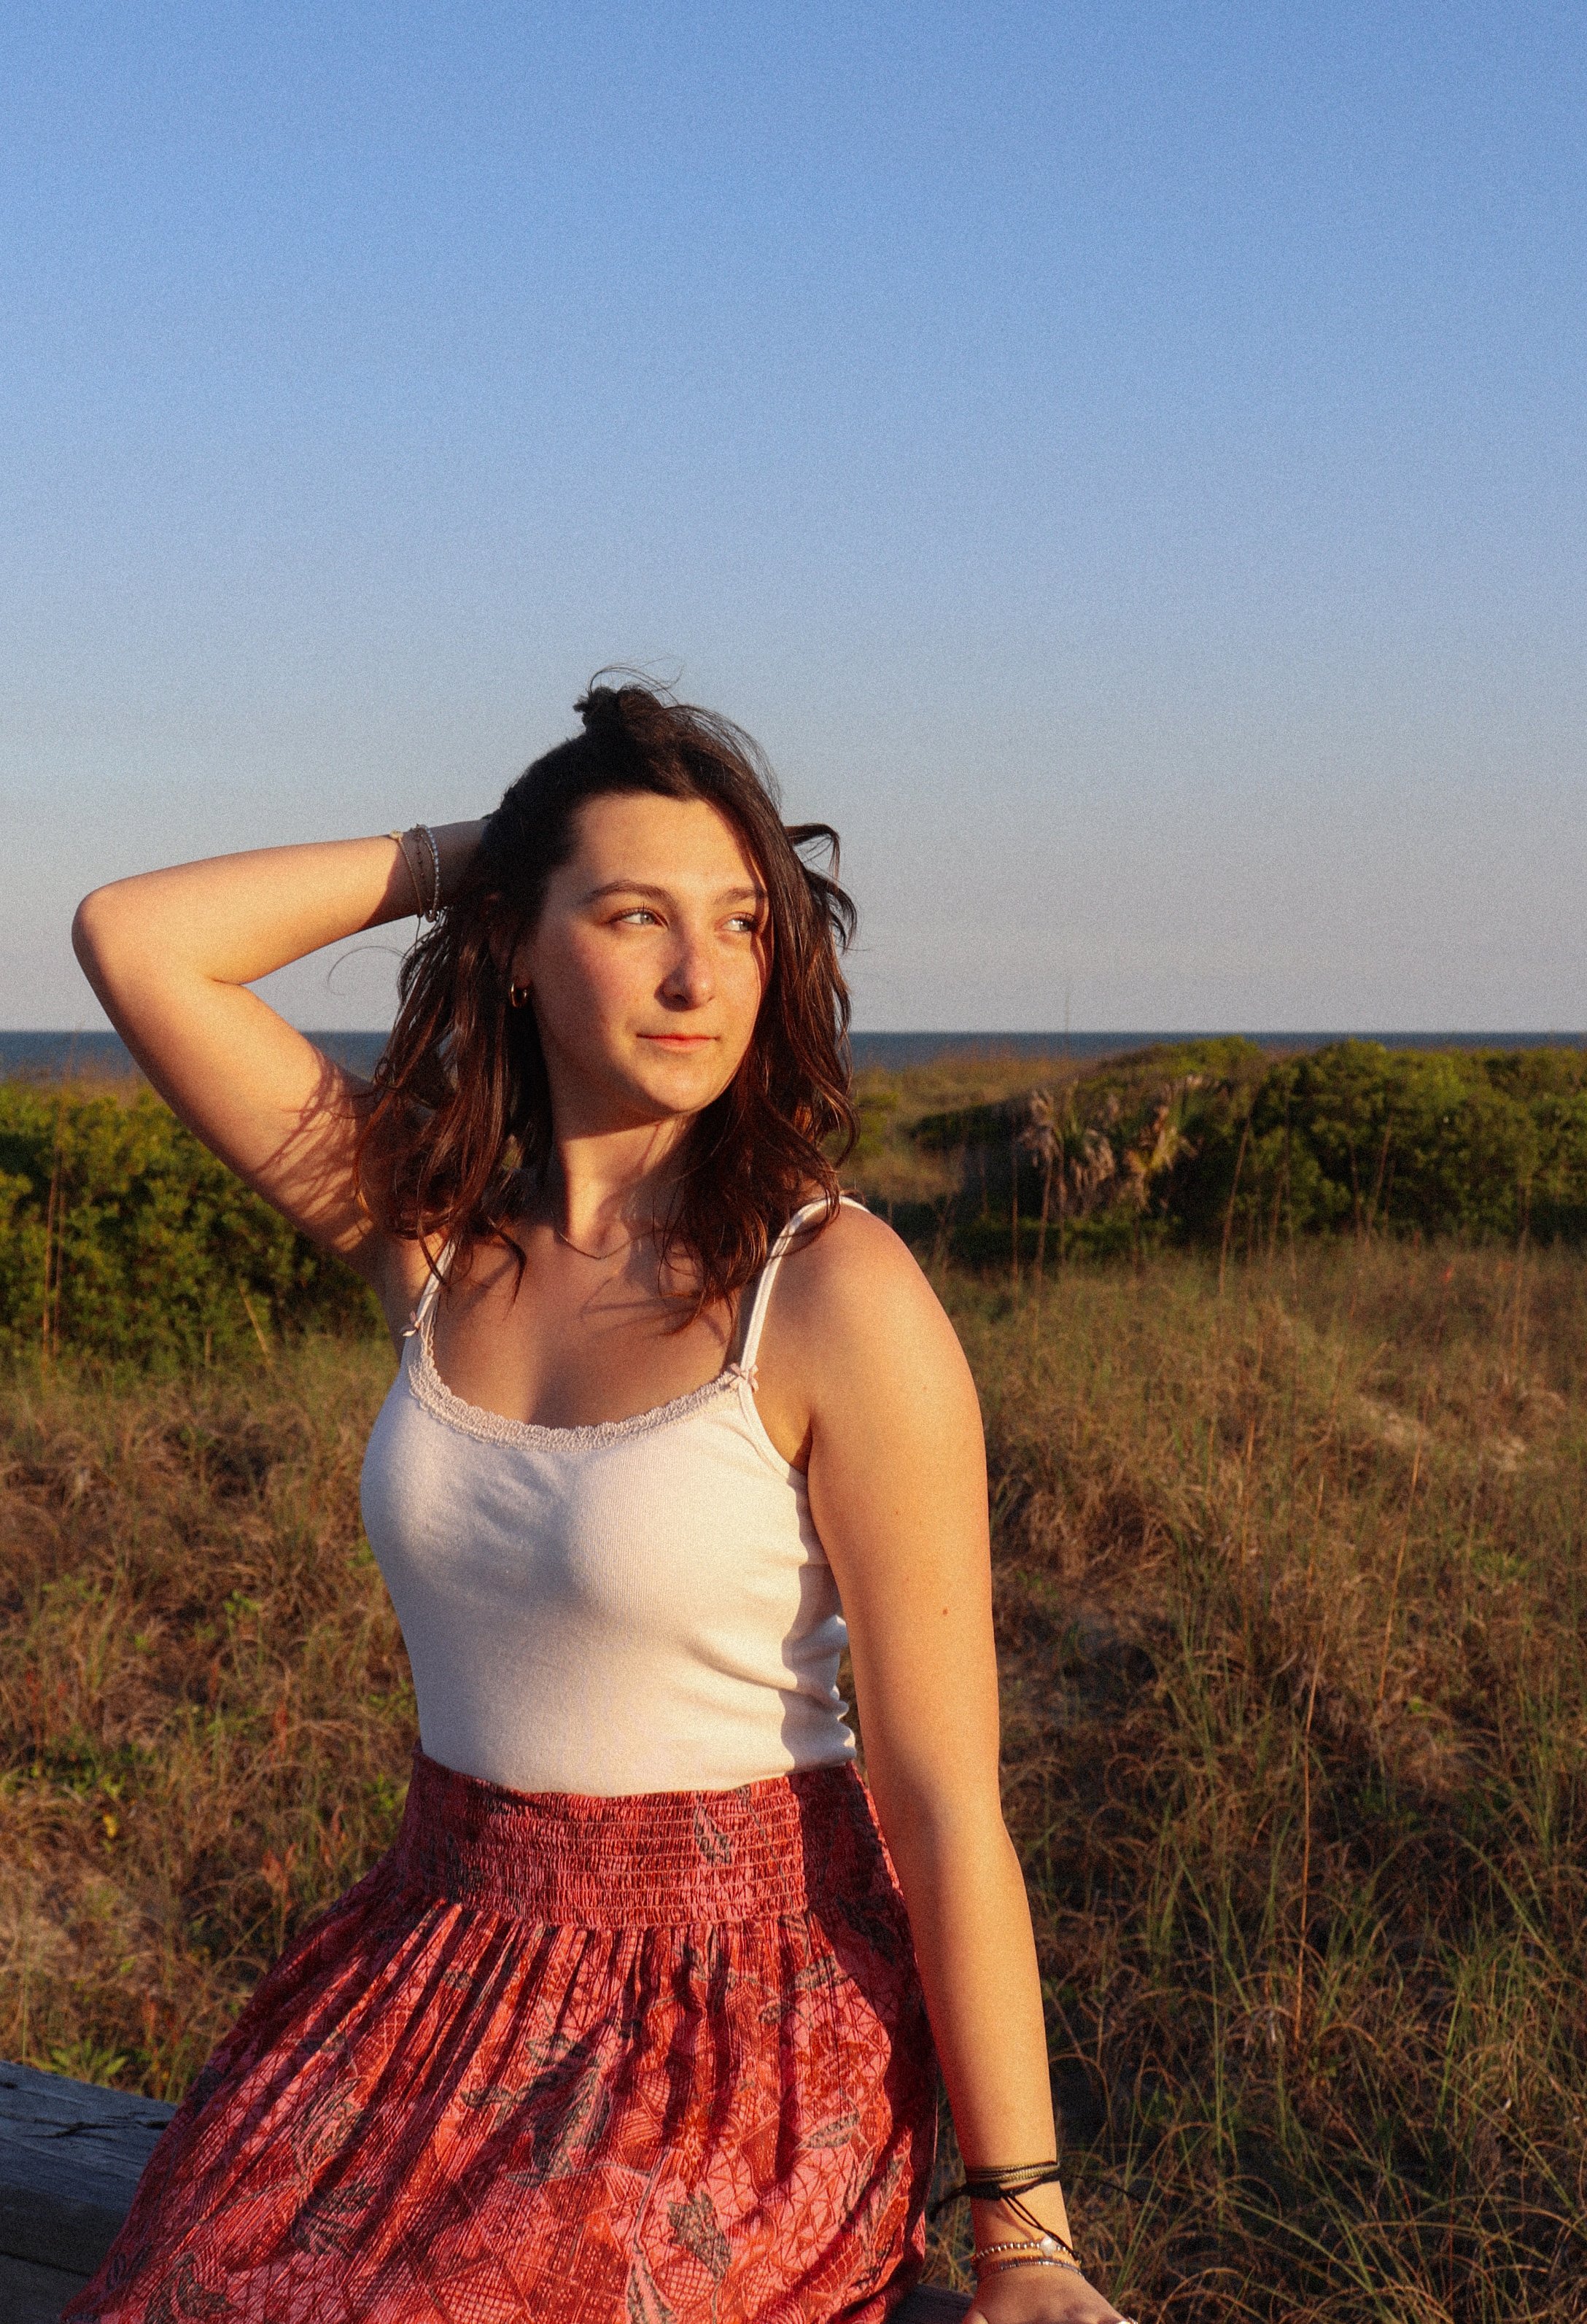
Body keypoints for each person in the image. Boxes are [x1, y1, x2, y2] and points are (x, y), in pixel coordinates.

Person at [65, 681, 1125, 2324]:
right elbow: (137, 938)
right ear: (515, 940)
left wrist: (1023, 2241)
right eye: (634, 916)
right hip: (428, 1955)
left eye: (742, 920)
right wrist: (492, 841)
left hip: (736, 2018)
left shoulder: (832, 1288)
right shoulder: (430, 1239)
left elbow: (941, 1796)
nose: (701, 976)